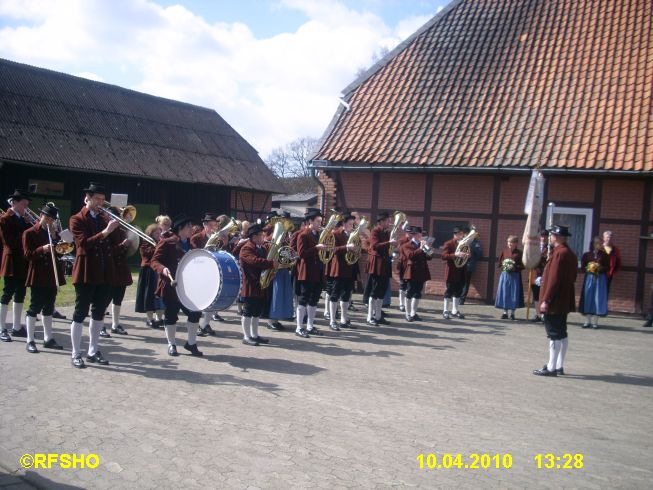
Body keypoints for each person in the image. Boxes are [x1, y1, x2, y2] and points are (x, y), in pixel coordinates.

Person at [68, 182, 119, 368]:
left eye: (102, 200)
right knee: (80, 313)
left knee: (98, 313)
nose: (100, 203)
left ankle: (92, 350)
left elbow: (116, 240)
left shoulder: (105, 218)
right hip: (86, 271)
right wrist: (106, 231)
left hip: (105, 272)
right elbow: (84, 244)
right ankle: (75, 352)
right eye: (97, 199)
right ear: (87, 198)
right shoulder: (76, 219)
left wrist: (117, 226)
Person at [150, 214, 203, 357]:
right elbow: (154, 261)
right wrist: (163, 269)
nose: (192, 229)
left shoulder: (192, 245)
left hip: (188, 287)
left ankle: (191, 343)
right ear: (180, 228)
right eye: (189, 227)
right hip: (171, 286)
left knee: (195, 312)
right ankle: (171, 344)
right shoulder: (167, 242)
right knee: (171, 315)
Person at [533, 225, 578, 377]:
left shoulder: (560, 253)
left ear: (556, 237)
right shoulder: (569, 253)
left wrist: (546, 299)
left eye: (552, 235)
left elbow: (554, 279)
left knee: (553, 334)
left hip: (555, 300)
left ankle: (552, 367)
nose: (550, 237)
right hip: (563, 298)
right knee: (562, 333)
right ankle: (559, 365)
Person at [22, 202, 65, 353]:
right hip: (38, 275)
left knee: (49, 307)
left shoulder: (54, 234)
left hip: (52, 276)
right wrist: (43, 249)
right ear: (41, 216)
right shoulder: (29, 233)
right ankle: (30, 340)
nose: (49, 222)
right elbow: (28, 255)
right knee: (34, 307)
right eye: (47, 218)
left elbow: (61, 252)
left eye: (52, 220)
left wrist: (56, 240)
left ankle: (48, 338)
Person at [0, 189, 32, 342]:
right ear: (15, 203)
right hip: (12, 260)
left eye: (26, 204)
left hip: (23, 262)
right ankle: (2, 328)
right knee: (7, 294)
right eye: (23, 204)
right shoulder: (5, 218)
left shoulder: (24, 220)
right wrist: (27, 233)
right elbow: (9, 241)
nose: (26, 207)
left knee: (20, 294)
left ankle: (17, 327)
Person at [238, 224, 276, 345]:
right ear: (254, 237)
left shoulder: (262, 248)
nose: (263, 237)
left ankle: (255, 335)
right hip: (251, 284)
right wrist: (271, 264)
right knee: (248, 311)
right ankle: (246, 336)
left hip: (261, 284)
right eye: (261, 235)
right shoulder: (246, 248)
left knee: (256, 312)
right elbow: (255, 261)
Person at [295, 209, 328, 338]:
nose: (320, 224)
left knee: (314, 300)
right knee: (303, 299)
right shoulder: (303, 235)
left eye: (321, 221)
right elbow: (301, 254)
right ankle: (299, 327)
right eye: (318, 221)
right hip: (307, 271)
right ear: (310, 221)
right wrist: (316, 248)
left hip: (318, 271)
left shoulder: (319, 234)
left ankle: (310, 325)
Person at [191, 213, 219, 336]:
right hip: (200, 272)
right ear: (205, 225)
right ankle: (197, 325)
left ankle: (205, 324)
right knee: (199, 301)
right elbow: (195, 254)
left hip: (213, 272)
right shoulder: (196, 238)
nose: (214, 227)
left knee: (211, 301)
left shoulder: (217, 238)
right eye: (212, 225)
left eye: (215, 225)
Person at [105, 207, 132, 337]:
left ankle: (115, 324)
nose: (118, 220)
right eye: (115, 217)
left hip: (121, 268)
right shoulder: (106, 231)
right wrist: (122, 245)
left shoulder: (122, 230)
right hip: (110, 268)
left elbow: (127, 252)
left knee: (118, 298)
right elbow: (107, 251)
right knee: (105, 298)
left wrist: (129, 244)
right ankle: (100, 325)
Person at [326, 214, 357, 330]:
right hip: (338, 269)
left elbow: (356, 250)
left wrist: (356, 249)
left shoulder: (353, 235)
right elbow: (332, 249)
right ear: (343, 224)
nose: (352, 226)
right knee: (335, 295)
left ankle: (344, 319)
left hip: (349, 269)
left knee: (346, 296)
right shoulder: (335, 234)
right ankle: (332, 321)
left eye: (353, 224)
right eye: (350, 224)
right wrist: (346, 247)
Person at [365, 212, 395, 326]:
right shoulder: (375, 231)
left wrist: (391, 243)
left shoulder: (386, 232)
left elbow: (387, 246)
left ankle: (378, 316)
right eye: (388, 221)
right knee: (374, 291)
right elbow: (375, 245)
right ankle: (369, 317)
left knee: (381, 291)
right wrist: (389, 242)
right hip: (376, 264)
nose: (389, 223)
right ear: (381, 221)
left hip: (384, 264)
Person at [267, 212, 294, 331]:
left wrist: (292, 257)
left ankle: (277, 319)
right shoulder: (270, 239)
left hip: (283, 270)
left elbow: (286, 254)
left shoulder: (285, 240)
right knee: (275, 295)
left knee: (283, 295)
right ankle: (271, 320)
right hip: (275, 271)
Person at [400, 226, 433, 321]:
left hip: (421, 271)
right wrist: (421, 248)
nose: (421, 236)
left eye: (421, 234)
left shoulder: (422, 244)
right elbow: (410, 256)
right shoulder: (406, 245)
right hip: (412, 271)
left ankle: (413, 313)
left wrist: (428, 250)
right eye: (419, 234)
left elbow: (429, 257)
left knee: (418, 293)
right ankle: (407, 314)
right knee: (410, 292)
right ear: (414, 235)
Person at [135, 224, 163, 328]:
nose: (159, 235)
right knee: (149, 296)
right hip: (148, 271)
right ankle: (149, 319)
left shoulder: (160, 242)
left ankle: (159, 319)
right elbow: (147, 254)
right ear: (151, 233)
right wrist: (158, 247)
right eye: (156, 233)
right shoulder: (145, 243)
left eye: (159, 233)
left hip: (158, 271)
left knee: (160, 295)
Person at [579, 236, 609, 329]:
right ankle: (587, 321)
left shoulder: (604, 255)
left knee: (597, 298)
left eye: (601, 243)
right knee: (588, 297)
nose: (600, 245)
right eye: (598, 243)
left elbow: (607, 267)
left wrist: (599, 268)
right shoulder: (587, 255)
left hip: (600, 279)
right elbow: (583, 267)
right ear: (593, 244)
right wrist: (589, 268)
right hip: (589, 278)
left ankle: (595, 322)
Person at [495, 235, 525, 320]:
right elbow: (500, 263)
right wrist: (504, 266)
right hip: (505, 275)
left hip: (515, 276)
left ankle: (512, 313)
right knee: (505, 293)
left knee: (513, 294)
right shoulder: (504, 251)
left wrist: (515, 267)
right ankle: (505, 312)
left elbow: (523, 265)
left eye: (511, 242)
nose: (509, 244)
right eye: (508, 242)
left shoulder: (519, 253)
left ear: (516, 243)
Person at [441, 227, 468, 319]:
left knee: (458, 292)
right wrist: (455, 255)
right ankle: (445, 310)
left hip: (461, 271)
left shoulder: (464, 244)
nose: (461, 236)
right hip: (452, 271)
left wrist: (467, 255)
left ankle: (454, 310)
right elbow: (443, 256)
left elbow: (467, 254)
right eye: (459, 234)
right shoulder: (448, 243)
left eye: (462, 234)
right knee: (449, 291)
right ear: (455, 234)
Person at [530, 231, 549, 322]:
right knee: (536, 295)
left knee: (544, 295)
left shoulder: (550, 249)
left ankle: (543, 314)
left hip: (544, 275)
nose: (543, 238)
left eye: (545, 237)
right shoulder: (535, 247)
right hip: (534, 274)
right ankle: (537, 314)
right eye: (542, 237)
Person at [460, 229, 481, 305]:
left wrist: (472, 252)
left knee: (465, 282)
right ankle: (457, 297)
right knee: (459, 281)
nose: (465, 236)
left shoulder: (475, 243)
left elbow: (479, 254)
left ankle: (462, 299)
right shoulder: (462, 241)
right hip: (460, 264)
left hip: (469, 265)